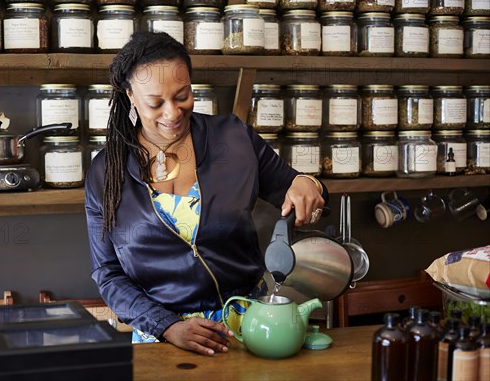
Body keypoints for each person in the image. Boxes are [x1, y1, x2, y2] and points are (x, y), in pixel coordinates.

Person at [85, 31, 328, 356]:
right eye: (155, 103)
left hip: (250, 329)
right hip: (162, 341)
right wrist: (168, 326)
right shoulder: (106, 173)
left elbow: (300, 193)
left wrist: (310, 185)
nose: (172, 113)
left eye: (182, 95)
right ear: (131, 96)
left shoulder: (234, 139)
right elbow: (108, 274)